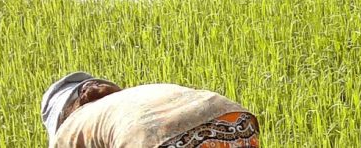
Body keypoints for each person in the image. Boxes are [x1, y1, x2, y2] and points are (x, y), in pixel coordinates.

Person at [40, 72, 261, 147]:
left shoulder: (68, 130)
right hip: (235, 122)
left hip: (161, 141)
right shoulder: (132, 96)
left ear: (65, 112)